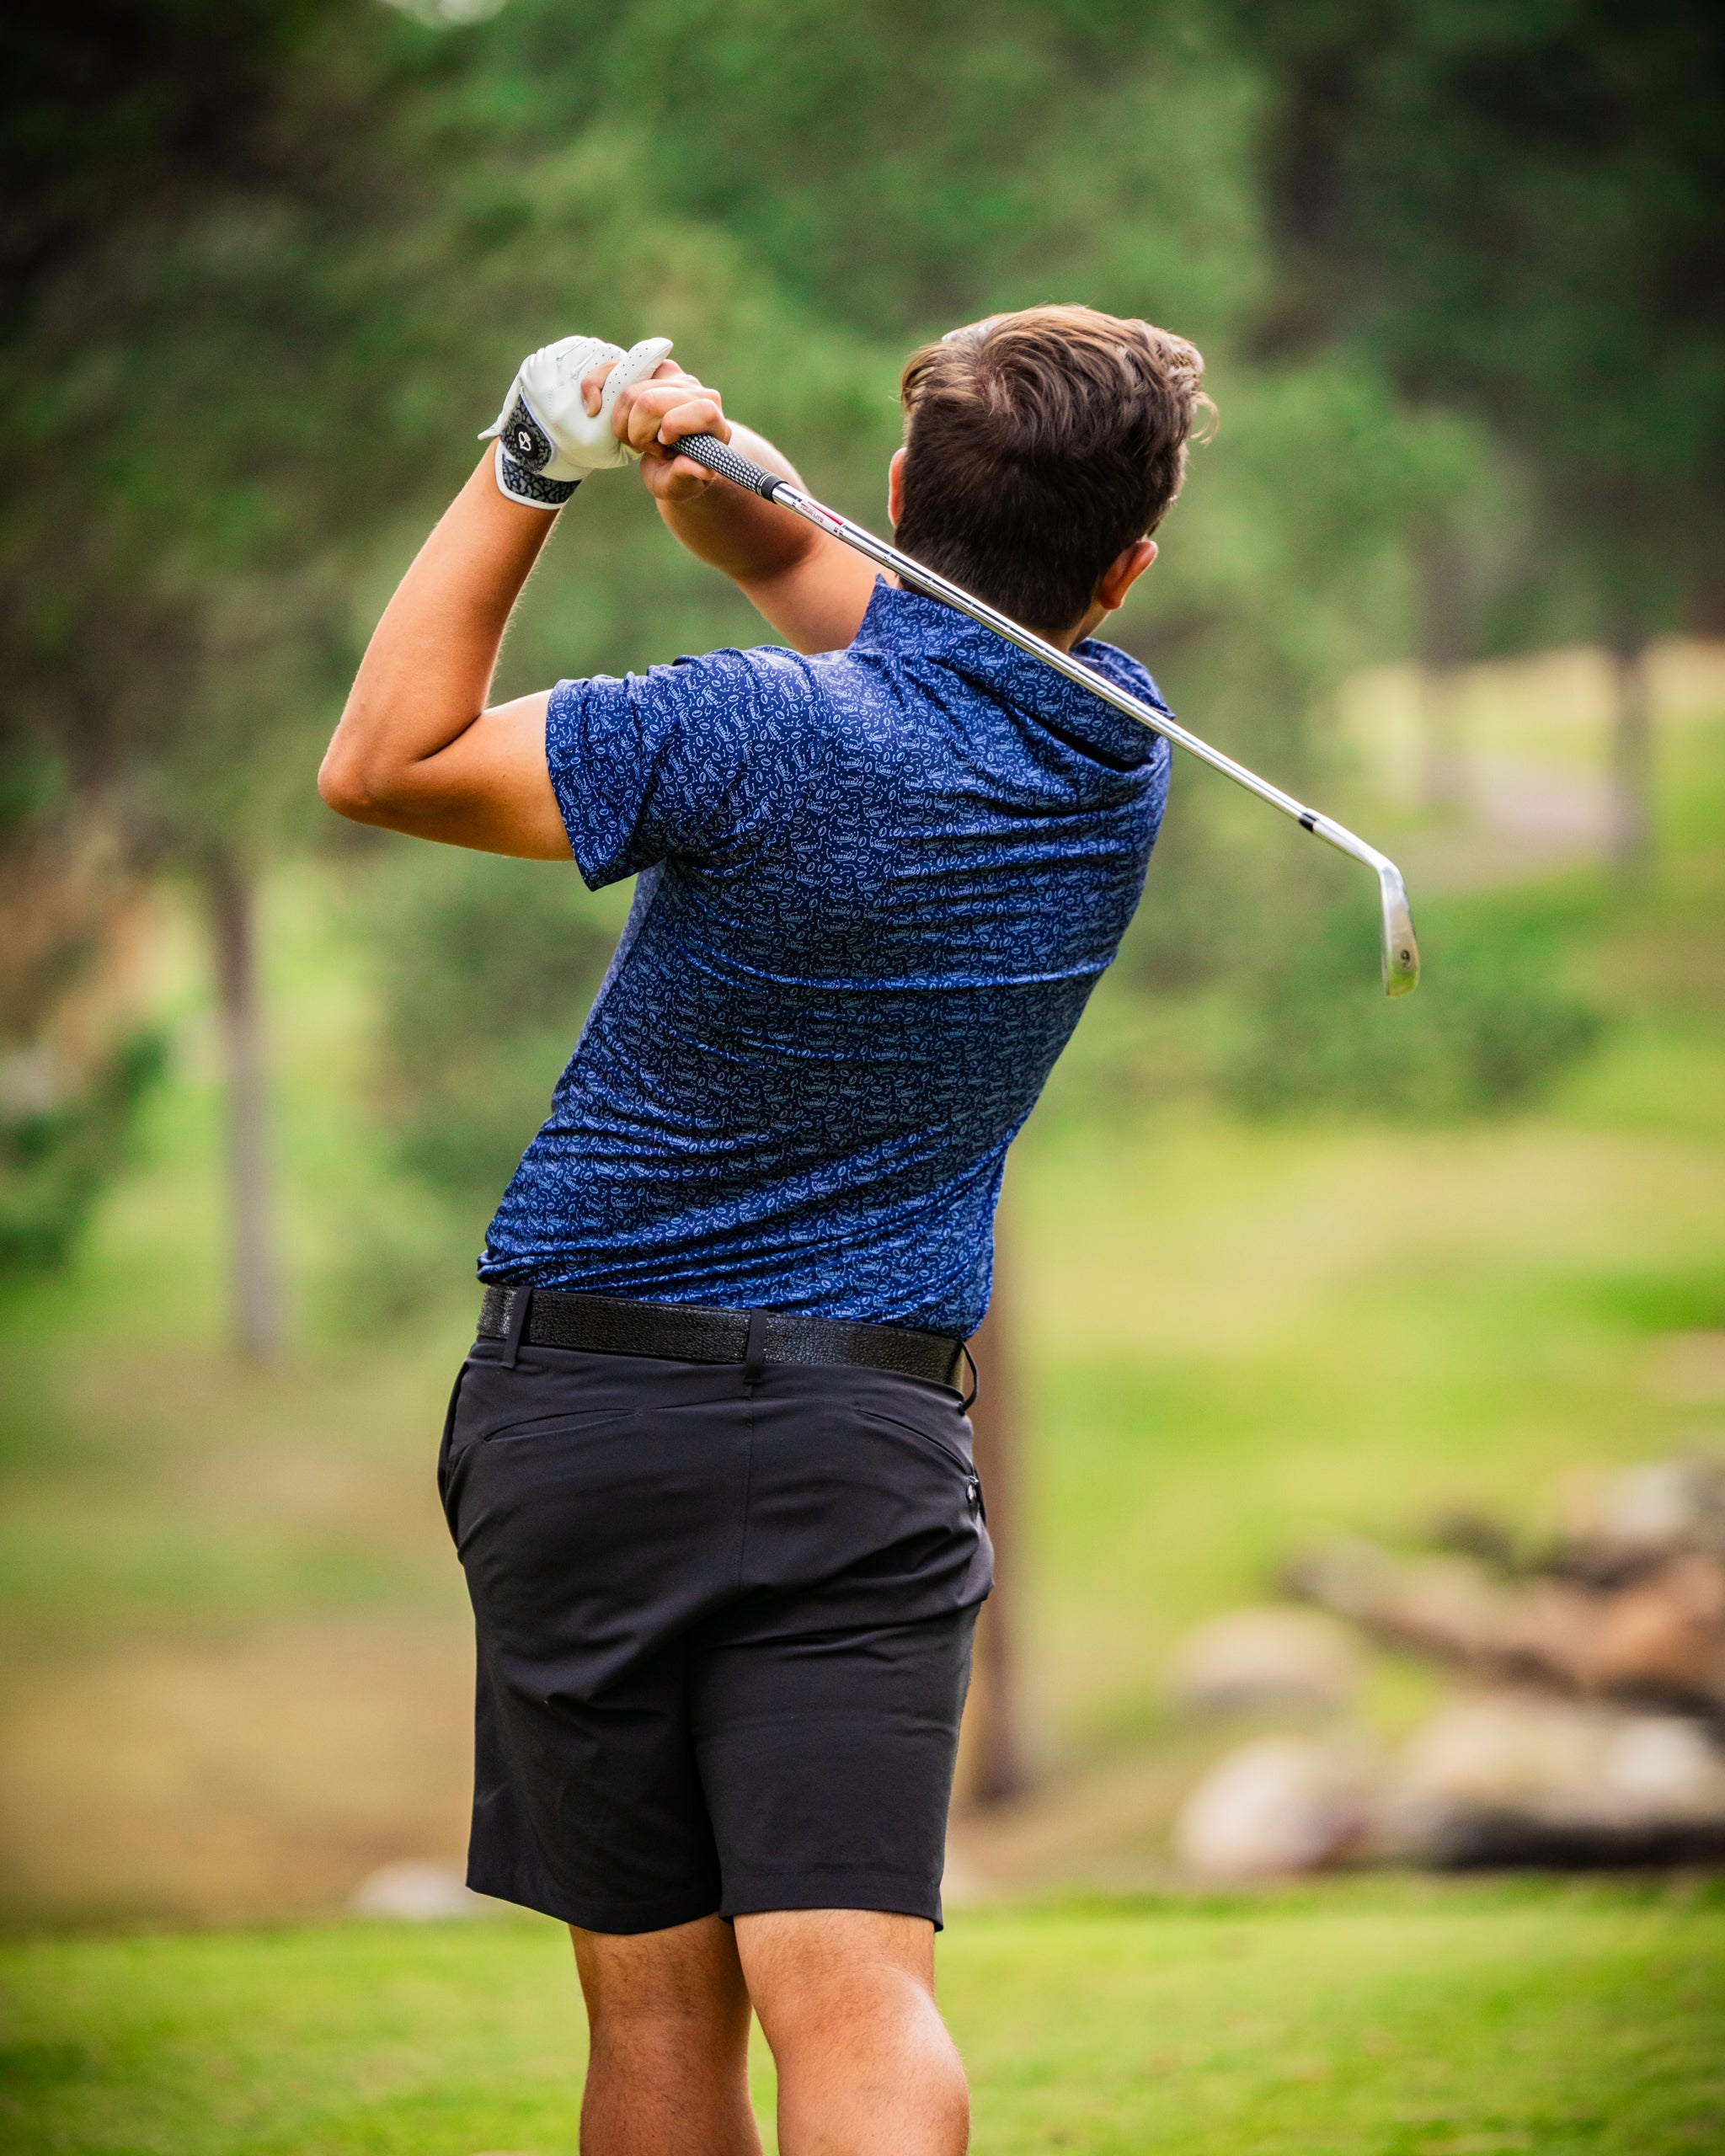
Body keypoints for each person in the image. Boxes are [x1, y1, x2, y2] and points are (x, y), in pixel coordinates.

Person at [319, 304, 1207, 2156]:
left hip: (581, 1416)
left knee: (653, 2012)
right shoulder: (1113, 749)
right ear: (1124, 566)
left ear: (904, 489)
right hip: (860, 1445)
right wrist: (698, 463)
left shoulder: (738, 729)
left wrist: (525, 466)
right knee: (861, 1995)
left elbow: (387, 761)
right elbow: (809, 561)